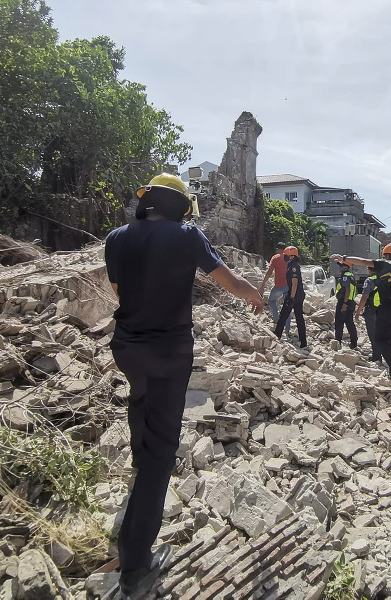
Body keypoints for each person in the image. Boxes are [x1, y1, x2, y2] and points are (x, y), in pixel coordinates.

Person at [105, 173, 263, 599]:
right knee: (161, 453)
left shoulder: (117, 237)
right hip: (169, 352)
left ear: (148, 202)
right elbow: (227, 280)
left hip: (127, 348)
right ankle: (135, 565)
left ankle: (141, 457)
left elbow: (118, 289)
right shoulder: (188, 236)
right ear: (182, 207)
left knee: (140, 398)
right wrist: (255, 297)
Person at [331, 244, 391, 386]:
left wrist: (344, 258)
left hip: (387, 307)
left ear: (387, 255)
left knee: (380, 340)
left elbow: (363, 261)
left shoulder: (385, 264)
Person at [274, 246, 307, 348]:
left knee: (283, 315)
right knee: (299, 317)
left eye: (286, 255)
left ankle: (276, 337)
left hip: (295, 294)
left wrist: (291, 298)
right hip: (298, 294)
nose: (285, 257)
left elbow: (295, 283)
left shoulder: (293, 267)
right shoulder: (293, 265)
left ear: (292, 256)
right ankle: (303, 342)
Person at [259, 242, 291, 336]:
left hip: (279, 286)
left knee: (272, 300)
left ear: (278, 249)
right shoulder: (290, 258)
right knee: (287, 306)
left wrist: (263, 285)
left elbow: (269, 272)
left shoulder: (275, 258)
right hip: (289, 286)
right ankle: (287, 329)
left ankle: (276, 319)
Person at [354, 266, 380, 362]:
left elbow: (364, 297)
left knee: (373, 334)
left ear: (369, 270)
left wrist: (358, 312)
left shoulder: (369, 281)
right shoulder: (384, 279)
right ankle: (381, 354)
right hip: (383, 310)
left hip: (371, 310)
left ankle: (377, 356)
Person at [334, 261, 358, 348]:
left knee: (339, 323)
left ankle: (337, 342)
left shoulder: (345, 276)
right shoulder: (351, 276)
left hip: (344, 302)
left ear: (346, 267)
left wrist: (344, 303)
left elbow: (347, 290)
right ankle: (354, 342)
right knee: (349, 323)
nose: (339, 267)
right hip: (351, 302)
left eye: (341, 265)